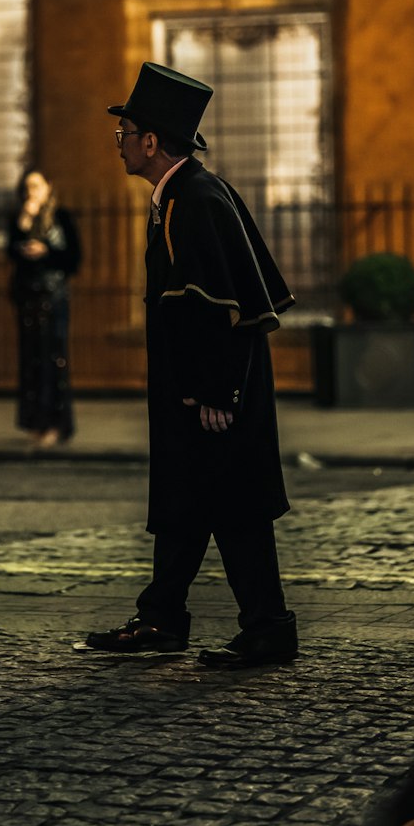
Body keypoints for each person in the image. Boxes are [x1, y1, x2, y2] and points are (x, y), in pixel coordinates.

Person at [83, 62, 298, 669]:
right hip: (200, 393)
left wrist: (214, 392)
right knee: (187, 505)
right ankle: (162, 618)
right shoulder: (184, 194)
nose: (119, 143)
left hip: (211, 395)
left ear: (151, 142)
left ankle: (267, 627)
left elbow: (211, 305)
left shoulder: (192, 200)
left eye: (124, 132)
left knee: (234, 509)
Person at [7, 168, 81, 448]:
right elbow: (11, 251)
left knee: (54, 360)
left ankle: (57, 423)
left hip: (54, 298)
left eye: (36, 186)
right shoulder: (19, 218)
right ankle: (35, 421)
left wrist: (47, 250)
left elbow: (73, 258)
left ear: (49, 187)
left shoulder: (61, 218)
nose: (31, 192)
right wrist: (24, 225)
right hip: (28, 298)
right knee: (31, 361)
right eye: (27, 187)